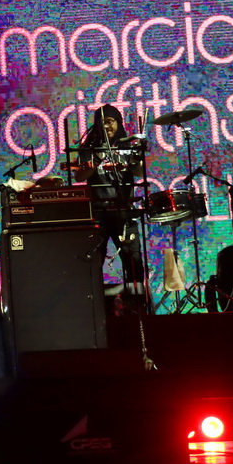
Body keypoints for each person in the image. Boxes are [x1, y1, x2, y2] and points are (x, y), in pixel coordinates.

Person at [75, 104, 147, 324]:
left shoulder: (127, 147)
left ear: (118, 123)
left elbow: (139, 172)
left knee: (133, 260)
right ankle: (94, 310)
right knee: (94, 261)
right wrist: (96, 161)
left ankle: (137, 308)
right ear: (97, 124)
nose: (107, 125)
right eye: (103, 121)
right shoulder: (89, 149)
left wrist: (137, 157)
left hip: (124, 211)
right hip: (98, 212)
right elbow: (80, 175)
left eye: (111, 121)